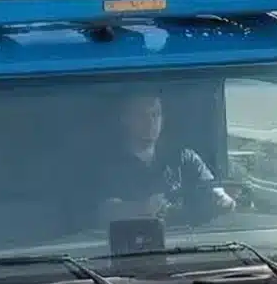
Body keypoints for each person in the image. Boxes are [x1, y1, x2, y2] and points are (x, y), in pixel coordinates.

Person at [94, 89, 234, 228]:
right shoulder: (108, 165)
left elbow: (213, 189)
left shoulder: (184, 158)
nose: (150, 122)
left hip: (191, 243)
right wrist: (143, 208)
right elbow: (106, 212)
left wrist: (224, 201)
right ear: (125, 119)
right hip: (135, 244)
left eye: (155, 115)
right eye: (142, 116)